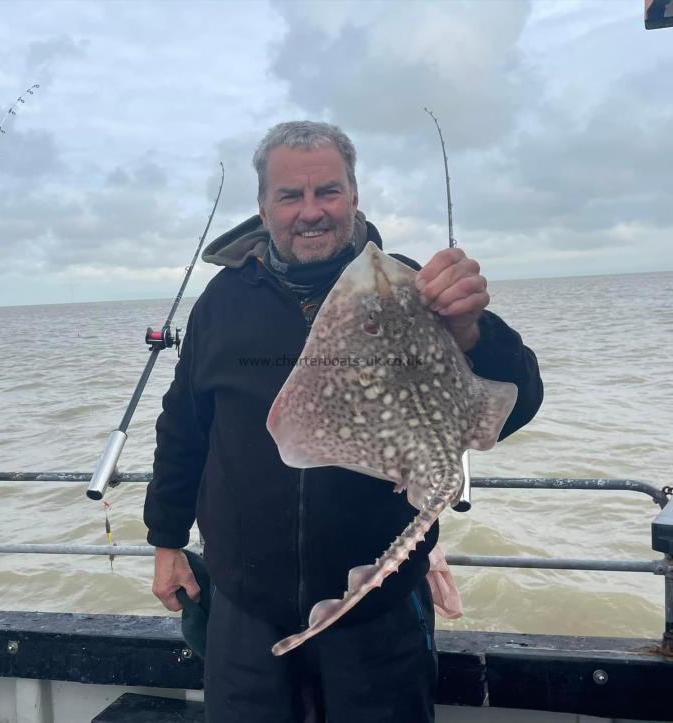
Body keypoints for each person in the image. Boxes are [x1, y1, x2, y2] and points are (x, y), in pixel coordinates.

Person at [143, 121, 543, 723]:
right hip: (245, 602)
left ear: (354, 195)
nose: (311, 212)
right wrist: (165, 540)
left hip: (379, 607)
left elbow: (520, 399)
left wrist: (470, 332)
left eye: (327, 192)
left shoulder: (412, 287)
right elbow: (184, 429)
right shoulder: (222, 304)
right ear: (263, 206)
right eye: (290, 195)